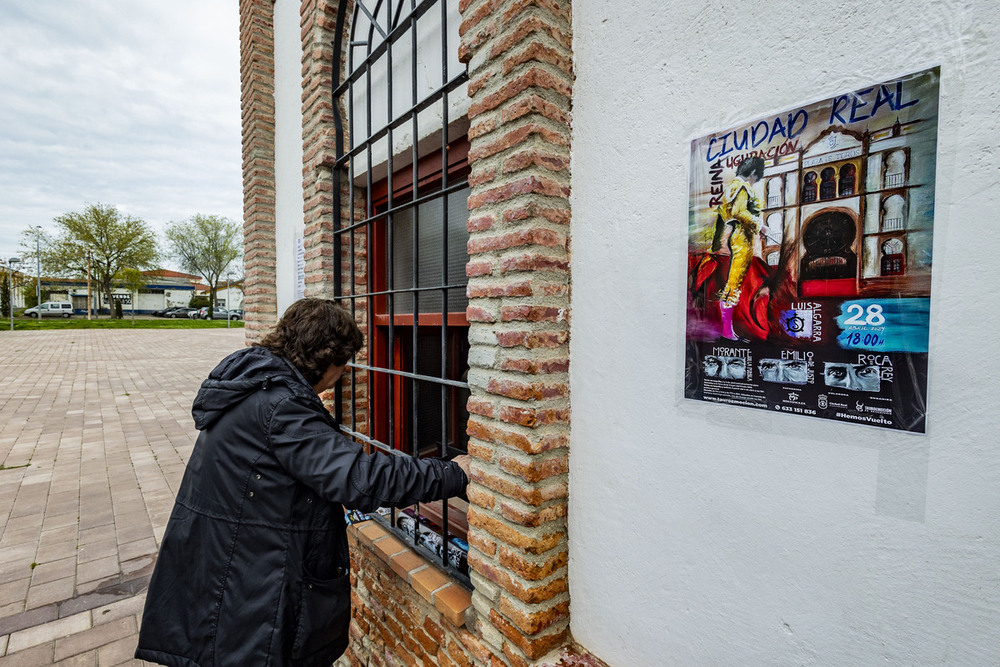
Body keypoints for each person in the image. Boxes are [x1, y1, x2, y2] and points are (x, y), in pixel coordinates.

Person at [135, 298, 471, 667]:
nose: (340, 377)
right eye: (343, 367)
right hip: (245, 588)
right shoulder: (280, 406)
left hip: (230, 568)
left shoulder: (256, 384)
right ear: (326, 360)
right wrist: (455, 473)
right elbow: (360, 479)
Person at [711, 156, 766, 340]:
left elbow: (726, 215)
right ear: (753, 173)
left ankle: (728, 330)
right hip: (743, 237)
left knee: (733, 283)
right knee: (734, 283)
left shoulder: (730, 188)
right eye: (756, 178)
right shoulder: (742, 187)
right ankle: (727, 332)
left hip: (736, 235)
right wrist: (760, 225)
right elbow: (739, 212)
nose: (755, 182)